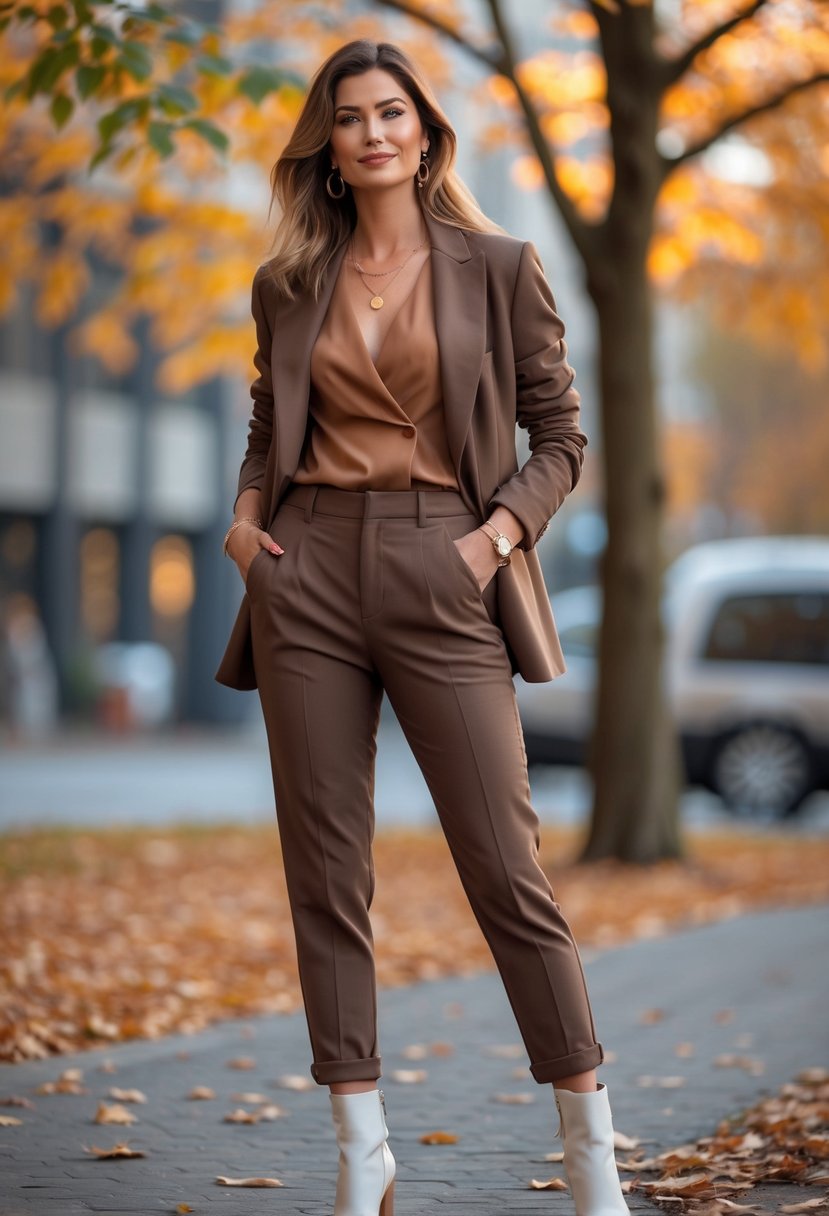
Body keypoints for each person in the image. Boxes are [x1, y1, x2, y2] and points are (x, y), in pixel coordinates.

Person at [215, 37, 629, 1216]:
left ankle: (591, 1156)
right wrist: (247, 524)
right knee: (325, 874)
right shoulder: (288, 280)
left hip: (444, 562)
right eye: (348, 118)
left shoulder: (498, 265)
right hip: (304, 574)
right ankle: (362, 1152)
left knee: (507, 870)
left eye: (391, 111)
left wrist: (491, 541)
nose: (372, 132)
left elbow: (560, 437)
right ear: (329, 147)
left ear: (425, 131)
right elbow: (266, 423)